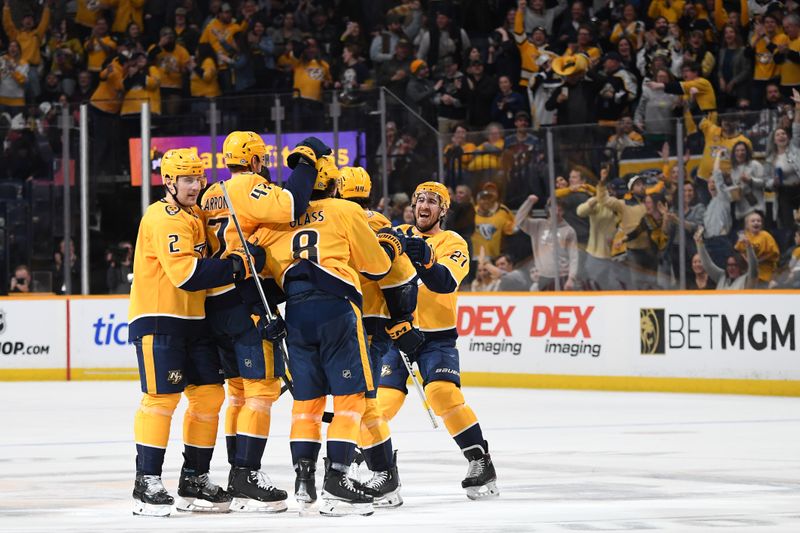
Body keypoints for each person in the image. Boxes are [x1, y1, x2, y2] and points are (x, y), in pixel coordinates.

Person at [250, 153, 402, 516]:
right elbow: (378, 266)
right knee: (351, 400)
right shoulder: (345, 211)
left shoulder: (278, 220)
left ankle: (305, 480)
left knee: (307, 403)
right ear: (334, 186)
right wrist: (391, 246)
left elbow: (261, 274)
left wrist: (261, 316)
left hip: (297, 316)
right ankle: (338, 479)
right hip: (337, 310)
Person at [127, 148, 261, 516]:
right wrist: (236, 266)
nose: (195, 185)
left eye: (198, 179)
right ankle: (146, 481)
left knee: (208, 398)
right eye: (187, 179)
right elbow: (186, 275)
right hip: (160, 320)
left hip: (195, 322)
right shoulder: (164, 217)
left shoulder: (197, 215)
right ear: (168, 181)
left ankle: (194, 479)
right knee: (162, 399)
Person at [199, 132, 318, 512]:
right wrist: (306, 161)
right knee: (262, 391)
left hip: (214, 302)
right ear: (252, 161)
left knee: (237, 391)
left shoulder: (209, 193)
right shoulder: (250, 184)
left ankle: (238, 473)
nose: (264, 167)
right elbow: (293, 204)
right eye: (262, 161)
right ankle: (246, 473)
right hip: (246, 299)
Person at [380, 181, 498, 500]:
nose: (424, 205)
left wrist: (426, 260)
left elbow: (444, 284)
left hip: (436, 339)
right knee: (381, 404)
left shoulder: (452, 241)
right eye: (419, 199)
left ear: (442, 210)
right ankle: (382, 471)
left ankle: (480, 461)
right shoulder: (397, 233)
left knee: (442, 394)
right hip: (397, 334)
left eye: (432, 201)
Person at [337, 166, 423, 508]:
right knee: (361, 398)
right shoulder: (381, 224)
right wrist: (402, 319)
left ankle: (384, 473)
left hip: (361, 321)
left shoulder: (341, 217)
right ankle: (383, 472)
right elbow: (405, 278)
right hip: (373, 320)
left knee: (362, 399)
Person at [515, 194, 579, 290]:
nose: (556, 212)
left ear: (564, 212)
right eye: (553, 209)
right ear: (548, 209)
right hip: (543, 276)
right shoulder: (538, 225)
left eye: (560, 210)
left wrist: (571, 278)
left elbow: (574, 256)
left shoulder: (569, 230)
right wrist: (529, 202)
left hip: (562, 276)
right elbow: (518, 221)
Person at [734, 210, 780, 288]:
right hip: (748, 274)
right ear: (747, 225)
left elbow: (774, 253)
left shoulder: (765, 235)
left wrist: (758, 260)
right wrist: (746, 260)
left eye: (758, 221)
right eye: (753, 221)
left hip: (765, 273)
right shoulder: (744, 236)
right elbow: (738, 250)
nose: (756, 222)